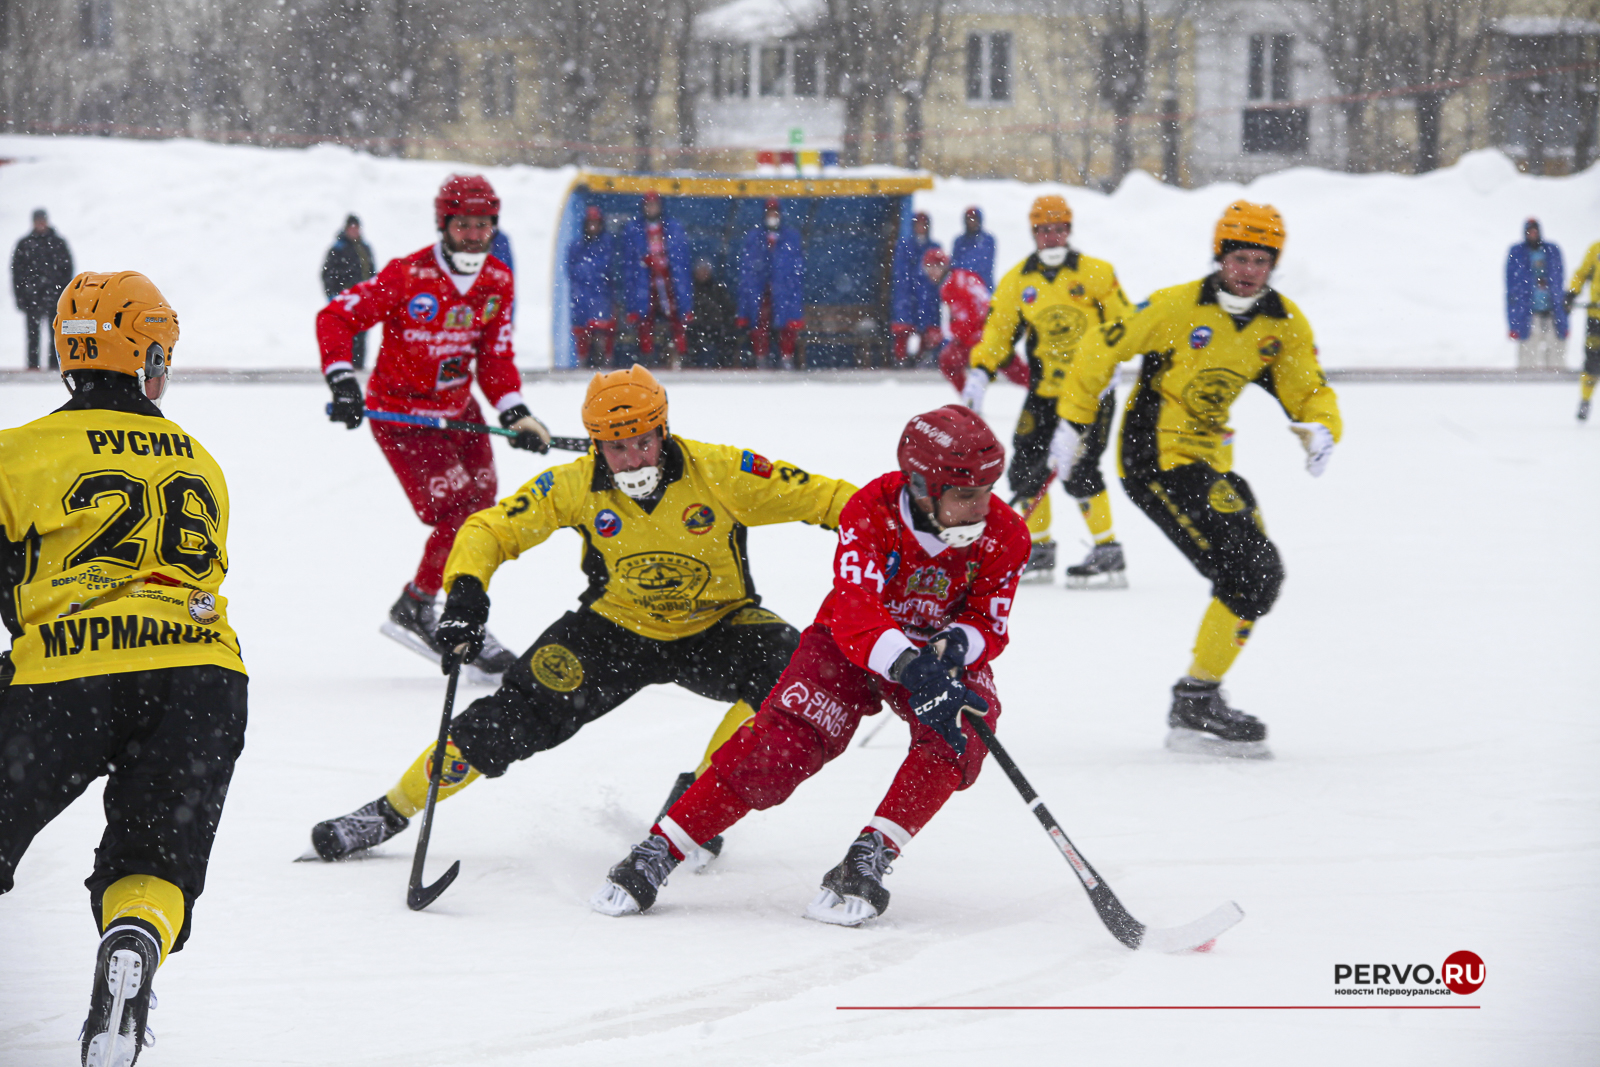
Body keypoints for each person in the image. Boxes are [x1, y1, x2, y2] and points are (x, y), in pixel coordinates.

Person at [308, 365, 859, 870]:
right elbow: (487, 530)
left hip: (718, 625)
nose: (632, 459)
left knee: (797, 672)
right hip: (615, 631)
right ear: (596, 443)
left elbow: (833, 500)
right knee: (509, 719)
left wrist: (904, 541)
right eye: (616, 448)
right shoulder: (574, 484)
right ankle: (390, 809)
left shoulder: (722, 471)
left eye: (643, 442)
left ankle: (696, 799)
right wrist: (466, 595)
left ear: (663, 431)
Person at [592, 405, 1029, 924]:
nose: (981, 507)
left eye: (986, 491)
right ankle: (660, 848)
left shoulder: (1007, 533)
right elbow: (855, 608)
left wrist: (952, 651)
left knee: (963, 730)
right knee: (779, 747)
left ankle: (872, 854)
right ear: (920, 485)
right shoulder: (871, 509)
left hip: (934, 652)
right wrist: (909, 666)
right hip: (849, 646)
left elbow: (988, 620)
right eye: (965, 495)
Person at [0, 271, 248, 1064]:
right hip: (203, 671)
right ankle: (134, 936)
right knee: (153, 854)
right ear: (143, 355)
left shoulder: (20, 452)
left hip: (71, 671)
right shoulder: (200, 459)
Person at [1056, 201, 1341, 759]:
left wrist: (1322, 426)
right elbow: (1101, 345)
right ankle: (1195, 700)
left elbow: (1307, 386)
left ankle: (1197, 698)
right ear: (1220, 256)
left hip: (1208, 463)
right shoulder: (1177, 306)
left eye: (1261, 260)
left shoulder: (1281, 323)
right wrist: (1073, 419)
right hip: (1155, 460)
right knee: (1252, 570)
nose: (1248, 270)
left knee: (1256, 577)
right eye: (1239, 257)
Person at [316, 174, 551, 681]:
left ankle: (448, 606)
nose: (473, 235)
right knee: (459, 512)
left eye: (483, 225)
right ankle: (422, 607)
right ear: (444, 224)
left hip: (459, 413)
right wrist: (343, 384)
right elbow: (335, 318)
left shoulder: (497, 282)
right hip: (403, 418)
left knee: (482, 512)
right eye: (463, 225)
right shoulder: (408, 275)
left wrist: (515, 413)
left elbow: (494, 358)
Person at [964, 195, 1135, 588]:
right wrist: (980, 372)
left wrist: (1111, 368)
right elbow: (999, 331)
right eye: (1043, 230)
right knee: (1025, 466)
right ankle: (1039, 549)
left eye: (1058, 228)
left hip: (1092, 393)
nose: (1051, 236)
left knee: (1077, 468)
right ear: (1033, 233)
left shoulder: (1096, 273)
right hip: (1045, 392)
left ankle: (1107, 550)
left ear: (1069, 231)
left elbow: (1126, 324)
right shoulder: (1018, 280)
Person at [925, 247, 1021, 395]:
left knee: (947, 362)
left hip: (978, 335)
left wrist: (947, 334)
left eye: (934, 266)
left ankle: (968, 399)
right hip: (991, 329)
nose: (931, 272)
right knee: (1015, 368)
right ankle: (1043, 392)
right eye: (927, 268)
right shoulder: (965, 275)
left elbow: (968, 318)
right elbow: (983, 303)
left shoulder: (950, 286)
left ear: (944, 265)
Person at [621, 191, 693, 366]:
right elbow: (629, 266)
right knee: (645, 320)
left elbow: (682, 262)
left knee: (676, 318)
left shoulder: (672, 228)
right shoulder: (634, 230)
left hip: (668, 280)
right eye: (648, 205)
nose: (651, 209)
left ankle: (678, 357)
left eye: (655, 205)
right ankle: (648, 358)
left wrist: (666, 263)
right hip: (646, 281)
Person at [737, 198, 805, 368]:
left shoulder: (791, 237)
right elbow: (748, 266)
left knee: (787, 325)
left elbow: (796, 267)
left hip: (784, 289)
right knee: (759, 324)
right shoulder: (755, 237)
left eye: (775, 213)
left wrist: (788, 284)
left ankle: (786, 357)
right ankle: (761, 358)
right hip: (761, 290)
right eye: (769, 213)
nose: (772, 216)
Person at [11, 208, 74, 371]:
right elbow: (17, 273)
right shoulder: (24, 244)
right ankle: (33, 367)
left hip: (55, 297)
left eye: (42, 220)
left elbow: (67, 270)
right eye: (38, 220)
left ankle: (55, 367)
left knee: (55, 334)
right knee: (33, 335)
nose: (41, 224)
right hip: (32, 297)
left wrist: (64, 295)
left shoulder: (58, 243)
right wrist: (21, 295)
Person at [1506, 218, 1568, 370]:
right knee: (1528, 351)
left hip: (1552, 310)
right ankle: (1526, 385)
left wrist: (1564, 316)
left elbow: (1559, 281)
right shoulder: (1517, 252)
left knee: (1556, 349)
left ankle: (1557, 384)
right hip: (1528, 312)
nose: (1533, 234)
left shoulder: (1552, 251)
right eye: (1530, 231)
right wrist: (1514, 323)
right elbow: (1512, 289)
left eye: (1535, 231)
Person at [321, 214, 377, 368]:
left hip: (363, 299)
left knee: (362, 334)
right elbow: (328, 275)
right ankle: (344, 366)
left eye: (356, 228)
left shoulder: (365, 248)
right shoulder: (338, 249)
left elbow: (372, 273)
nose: (354, 231)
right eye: (351, 228)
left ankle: (358, 367)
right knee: (346, 334)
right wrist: (333, 296)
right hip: (345, 299)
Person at [568, 205, 617, 368]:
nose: (592, 227)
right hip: (582, 296)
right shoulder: (577, 246)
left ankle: (604, 362)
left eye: (596, 223)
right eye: (590, 223)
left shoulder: (607, 244)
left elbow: (606, 269)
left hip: (601, 296)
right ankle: (583, 364)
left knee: (602, 333)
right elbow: (572, 270)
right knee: (582, 334)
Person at [890, 211, 942, 366]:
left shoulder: (933, 246)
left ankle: (923, 356)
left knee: (928, 326)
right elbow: (900, 271)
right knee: (903, 327)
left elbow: (938, 271)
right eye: (918, 224)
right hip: (907, 292)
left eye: (924, 224)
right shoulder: (905, 246)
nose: (921, 228)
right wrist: (907, 288)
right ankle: (901, 358)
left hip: (927, 293)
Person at [1564, 238, 1599, 421]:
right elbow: (1581, 274)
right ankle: (1585, 400)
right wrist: (1572, 293)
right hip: (1596, 317)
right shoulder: (1596, 249)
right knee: (1592, 362)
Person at [688, 258, 739, 368]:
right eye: (700, 270)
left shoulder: (718, 288)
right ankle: (693, 365)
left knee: (726, 337)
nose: (703, 273)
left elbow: (727, 308)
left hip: (716, 325)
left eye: (705, 270)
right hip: (697, 325)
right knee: (691, 336)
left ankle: (723, 366)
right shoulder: (690, 289)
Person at [950, 206, 997, 290]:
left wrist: (969, 276)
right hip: (962, 288)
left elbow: (984, 265)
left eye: (974, 219)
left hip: (983, 287)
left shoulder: (987, 240)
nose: (971, 222)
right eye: (969, 219)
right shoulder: (959, 241)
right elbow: (955, 266)